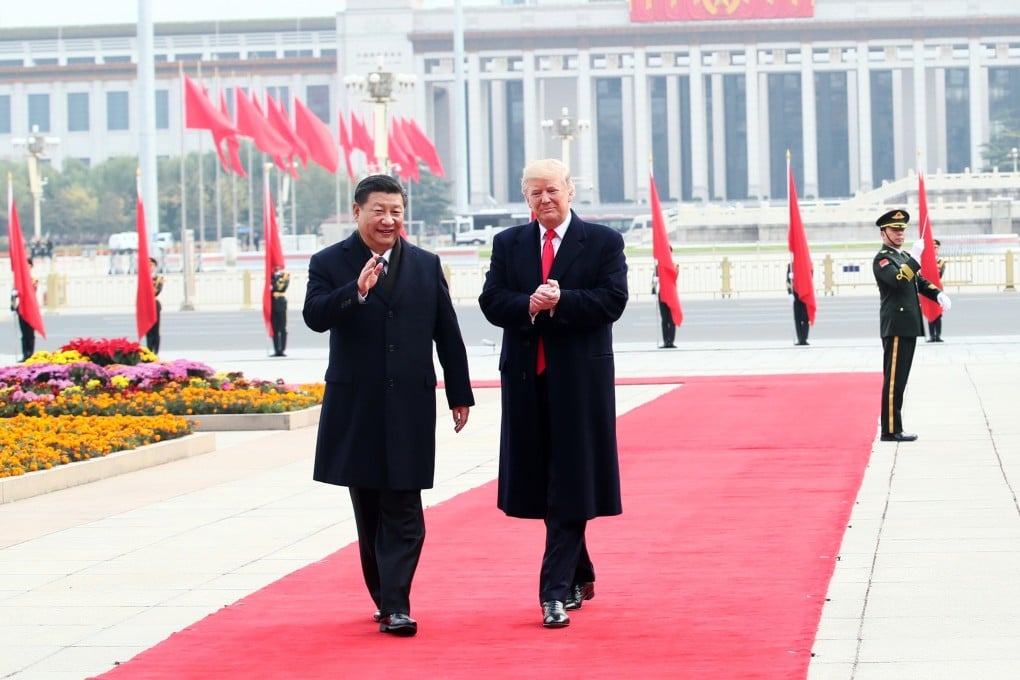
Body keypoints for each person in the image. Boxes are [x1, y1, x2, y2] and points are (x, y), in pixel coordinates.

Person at [302, 174, 474, 638]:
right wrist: (354, 292)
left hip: (410, 406)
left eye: (396, 211)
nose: (388, 219)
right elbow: (314, 317)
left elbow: (447, 332)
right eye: (379, 210)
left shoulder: (424, 263)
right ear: (357, 211)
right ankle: (384, 596)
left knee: (405, 505)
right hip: (356, 406)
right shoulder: (328, 262)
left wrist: (459, 392)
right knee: (370, 509)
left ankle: (398, 604)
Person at [478, 158, 628, 629]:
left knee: (571, 477)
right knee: (548, 480)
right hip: (526, 379)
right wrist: (526, 304)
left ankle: (553, 592)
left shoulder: (603, 241)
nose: (545, 200)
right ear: (526, 198)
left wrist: (562, 301)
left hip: (579, 381)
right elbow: (491, 300)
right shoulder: (509, 243)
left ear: (570, 191)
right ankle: (581, 570)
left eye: (553, 191)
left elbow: (613, 301)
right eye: (535, 192)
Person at [872, 209, 951, 443]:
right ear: (883, 233)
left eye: (902, 230)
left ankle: (895, 427)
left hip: (908, 325)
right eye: (895, 230)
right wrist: (915, 259)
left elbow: (919, 281)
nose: (899, 234)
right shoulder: (883, 259)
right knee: (894, 380)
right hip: (896, 325)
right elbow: (898, 281)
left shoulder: (903, 255)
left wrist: (937, 294)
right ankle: (890, 430)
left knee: (901, 379)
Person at [10, 257, 37, 362]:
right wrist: (12, 302)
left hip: (30, 309)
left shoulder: (33, 280)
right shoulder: (18, 281)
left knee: (30, 333)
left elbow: (31, 291)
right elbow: (14, 294)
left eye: (28, 264)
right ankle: (25, 353)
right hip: (21, 308)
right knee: (24, 333)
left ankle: (31, 353)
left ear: (30, 266)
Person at [652, 254, 678, 348]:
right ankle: (665, 341)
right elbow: (654, 281)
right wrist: (653, 293)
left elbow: (675, 277)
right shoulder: (657, 267)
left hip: (671, 295)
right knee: (664, 319)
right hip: (662, 294)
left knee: (672, 319)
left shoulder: (673, 265)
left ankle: (671, 341)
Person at [926, 239, 947, 342]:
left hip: (938, 288)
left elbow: (940, 274)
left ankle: (938, 335)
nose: (934, 249)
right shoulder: (925, 261)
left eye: (935, 247)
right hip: (927, 288)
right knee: (930, 312)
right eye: (932, 247)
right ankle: (931, 335)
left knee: (938, 313)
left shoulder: (941, 261)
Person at [786, 263, 810, 346]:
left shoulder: (806, 264)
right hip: (795, 293)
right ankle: (800, 339)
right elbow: (788, 281)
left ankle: (804, 338)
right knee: (797, 318)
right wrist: (789, 293)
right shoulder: (791, 266)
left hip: (804, 293)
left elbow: (810, 277)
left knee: (806, 318)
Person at [270, 264, 290, 356]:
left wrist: (273, 285)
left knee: (282, 328)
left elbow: (282, 287)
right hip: (272, 304)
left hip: (281, 304)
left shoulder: (285, 276)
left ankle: (282, 349)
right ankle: (276, 349)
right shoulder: (270, 276)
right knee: (274, 328)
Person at [145, 257, 164, 355]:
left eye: (151, 265)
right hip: (146, 305)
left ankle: (155, 352)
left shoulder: (158, 278)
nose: (149, 267)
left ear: (155, 267)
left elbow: (156, 292)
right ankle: (148, 350)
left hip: (154, 304)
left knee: (155, 330)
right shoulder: (143, 278)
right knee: (148, 330)